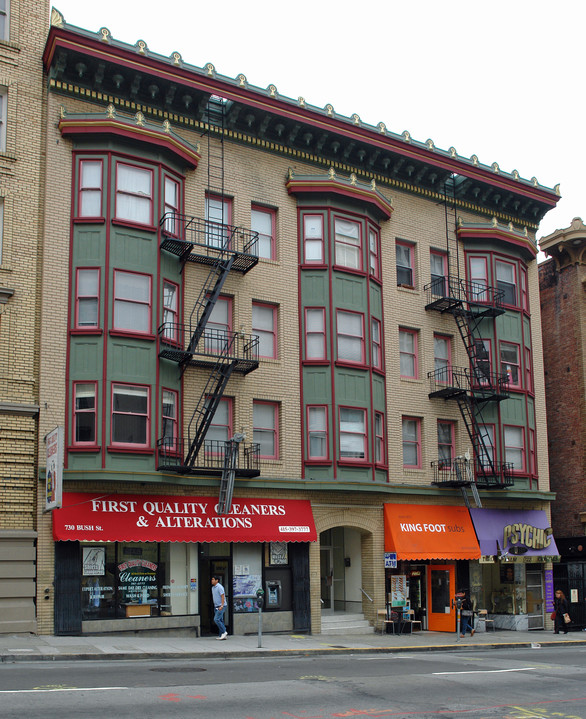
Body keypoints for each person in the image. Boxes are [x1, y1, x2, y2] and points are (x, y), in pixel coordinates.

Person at [211, 575, 227, 640]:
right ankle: (221, 635)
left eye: (213, 579)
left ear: (217, 580)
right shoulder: (213, 588)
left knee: (216, 619)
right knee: (220, 620)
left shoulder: (220, 587)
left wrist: (222, 606)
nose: (212, 581)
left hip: (221, 606)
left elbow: (222, 596)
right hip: (216, 606)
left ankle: (224, 631)